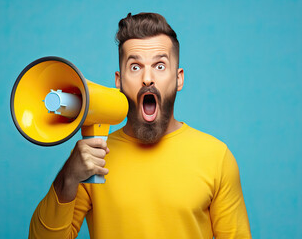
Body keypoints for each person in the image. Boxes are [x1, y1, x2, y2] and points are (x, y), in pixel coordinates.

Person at [29, 12, 252, 239]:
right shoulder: (94, 159)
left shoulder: (216, 157)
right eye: (135, 67)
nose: (147, 78)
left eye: (160, 66)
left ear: (178, 78)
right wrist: (68, 176)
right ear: (119, 81)